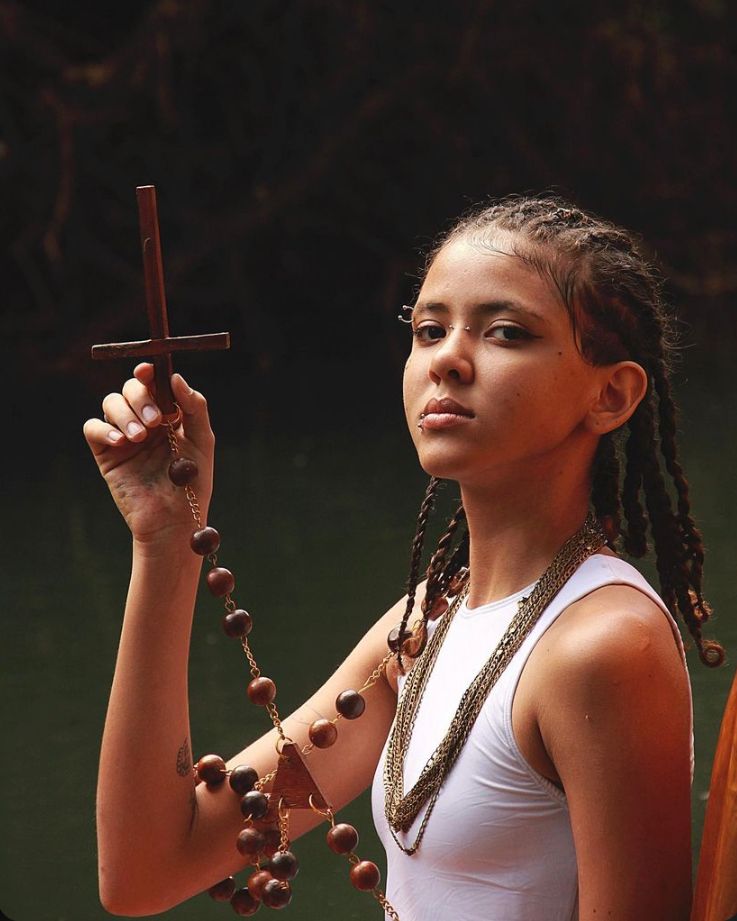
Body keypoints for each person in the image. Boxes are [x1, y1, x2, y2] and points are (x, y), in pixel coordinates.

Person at [85, 195, 721, 921]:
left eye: (505, 332)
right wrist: (167, 540)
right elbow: (146, 869)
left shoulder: (598, 645)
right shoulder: (427, 626)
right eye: (427, 329)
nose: (447, 358)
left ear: (610, 394)